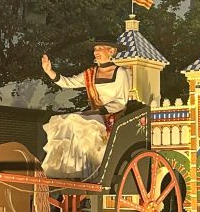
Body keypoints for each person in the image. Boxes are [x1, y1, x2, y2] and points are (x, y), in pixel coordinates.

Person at [40, 39, 132, 180]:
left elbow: (121, 101)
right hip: (94, 114)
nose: (96, 52)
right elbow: (69, 82)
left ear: (112, 51)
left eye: (100, 48)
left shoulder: (121, 73)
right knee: (67, 120)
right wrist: (50, 71)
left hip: (113, 116)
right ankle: (72, 169)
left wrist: (99, 111)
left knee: (80, 121)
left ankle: (91, 171)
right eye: (95, 49)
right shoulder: (90, 73)